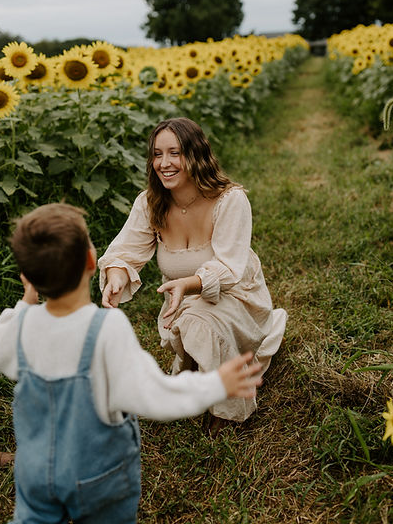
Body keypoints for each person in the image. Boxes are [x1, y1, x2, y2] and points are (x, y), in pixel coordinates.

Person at [0, 203, 262, 524]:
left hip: (35, 470)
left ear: (27, 276)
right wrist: (216, 384)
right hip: (98, 475)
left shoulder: (20, 330)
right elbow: (155, 396)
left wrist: (26, 301)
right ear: (91, 262)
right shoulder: (106, 330)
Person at [99, 117, 287, 434]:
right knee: (192, 321)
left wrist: (188, 283)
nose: (164, 163)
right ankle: (205, 366)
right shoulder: (150, 203)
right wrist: (117, 275)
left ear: (196, 154)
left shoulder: (230, 200)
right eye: (157, 154)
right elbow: (124, 251)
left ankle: (230, 408)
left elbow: (228, 268)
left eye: (175, 153)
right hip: (182, 303)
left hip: (236, 297)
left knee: (198, 321)